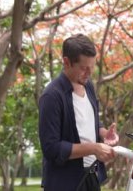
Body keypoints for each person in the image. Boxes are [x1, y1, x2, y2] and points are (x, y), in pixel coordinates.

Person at [39, 34, 119, 191]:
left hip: (91, 176)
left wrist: (104, 134)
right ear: (67, 62)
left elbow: (92, 122)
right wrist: (94, 148)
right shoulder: (52, 96)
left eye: (92, 67)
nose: (89, 73)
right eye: (84, 68)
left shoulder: (88, 86)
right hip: (65, 182)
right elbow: (51, 149)